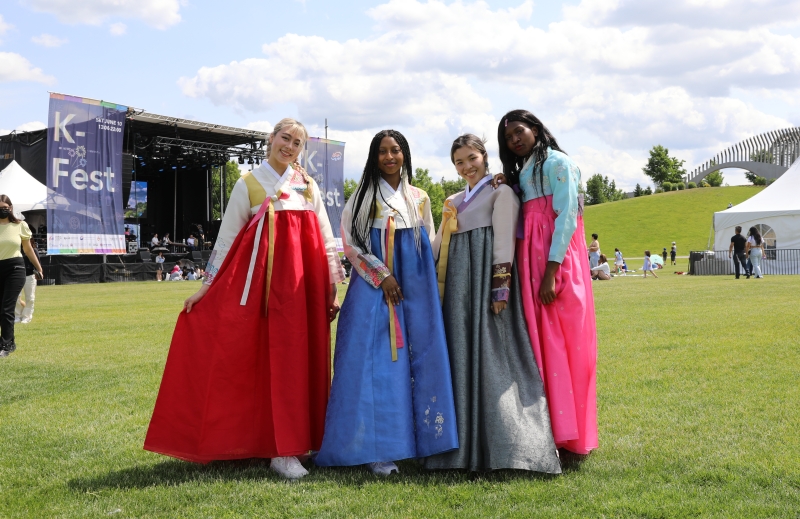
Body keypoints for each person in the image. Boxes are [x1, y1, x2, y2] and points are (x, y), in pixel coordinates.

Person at [144, 118, 344, 480]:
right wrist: (205, 289)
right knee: (265, 364)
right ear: (271, 139)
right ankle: (278, 450)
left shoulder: (308, 185)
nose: (290, 146)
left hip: (303, 287)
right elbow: (227, 239)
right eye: (286, 138)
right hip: (264, 292)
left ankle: (301, 441)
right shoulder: (249, 184)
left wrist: (332, 281)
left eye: (297, 143)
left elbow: (326, 237)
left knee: (300, 361)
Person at [315, 129, 458, 475]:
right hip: (376, 288)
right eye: (383, 151)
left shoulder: (420, 197)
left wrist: (451, 225)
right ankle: (377, 450)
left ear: (405, 154)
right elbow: (351, 245)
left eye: (396, 150)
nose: (390, 157)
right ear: (374, 157)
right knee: (376, 365)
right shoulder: (363, 197)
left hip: (417, 290)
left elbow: (429, 244)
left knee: (421, 360)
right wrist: (383, 276)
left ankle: (426, 444)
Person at [423, 134, 560, 474]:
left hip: (486, 282)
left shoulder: (501, 192)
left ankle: (510, 445)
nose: (467, 166)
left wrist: (500, 289)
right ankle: (459, 446)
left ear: (485, 156)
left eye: (472, 158)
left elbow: (503, 243)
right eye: (459, 162)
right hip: (458, 286)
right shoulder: (454, 200)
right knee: (461, 354)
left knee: (493, 355)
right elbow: (437, 246)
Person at [494, 110, 598, 455]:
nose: (515, 141)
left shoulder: (559, 164)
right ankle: (549, 432)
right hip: (530, 263)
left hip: (555, 264)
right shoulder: (524, 172)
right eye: (508, 138)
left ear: (535, 129)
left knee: (563, 346)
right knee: (540, 346)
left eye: (519, 132)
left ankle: (572, 435)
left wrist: (552, 272)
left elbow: (567, 216)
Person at [0, 195, 44, 358]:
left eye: (5, 207)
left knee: (7, 308)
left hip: (15, 268)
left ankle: (7, 344)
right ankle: (6, 342)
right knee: (1, 309)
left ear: (10, 208)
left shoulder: (20, 225)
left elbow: (28, 250)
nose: (3, 209)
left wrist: (38, 267)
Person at [14, 238, 39, 324]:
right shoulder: (17, 250)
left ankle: (27, 316)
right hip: (17, 275)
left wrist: (38, 271)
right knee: (16, 297)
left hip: (30, 276)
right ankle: (17, 315)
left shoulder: (34, 250)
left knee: (30, 297)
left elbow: (37, 262)